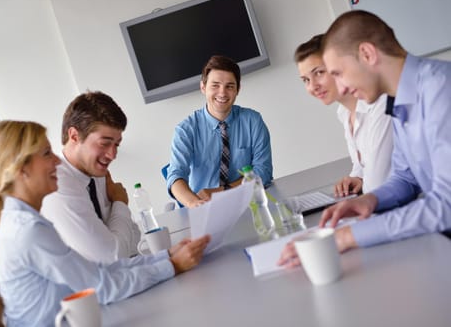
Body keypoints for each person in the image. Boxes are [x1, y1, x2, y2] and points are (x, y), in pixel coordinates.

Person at [0, 120, 210, 327]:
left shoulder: (24, 221)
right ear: (22, 169)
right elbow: (101, 287)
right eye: (47, 153)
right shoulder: (28, 231)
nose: (57, 160)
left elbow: (97, 271)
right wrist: (173, 266)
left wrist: (167, 257)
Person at [279, 10, 451, 268]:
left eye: (337, 73)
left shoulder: (440, 88)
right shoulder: (400, 100)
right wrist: (369, 200)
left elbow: (445, 205)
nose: (343, 88)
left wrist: (347, 236)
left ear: (368, 55)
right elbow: (405, 178)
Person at [41, 91, 141, 265]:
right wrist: (120, 203)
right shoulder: (57, 183)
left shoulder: (95, 173)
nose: (112, 155)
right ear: (74, 136)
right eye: (104, 143)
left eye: (116, 145)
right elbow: (112, 259)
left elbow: (132, 240)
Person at [167, 55, 273, 208]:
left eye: (229, 86)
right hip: (206, 207)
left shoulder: (253, 121)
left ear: (238, 89)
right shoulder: (185, 130)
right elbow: (176, 176)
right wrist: (195, 203)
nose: (222, 93)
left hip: (250, 202)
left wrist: (222, 191)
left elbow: (263, 172)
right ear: (203, 87)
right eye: (215, 85)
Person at [294, 34, 393, 196]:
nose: (313, 86)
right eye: (305, 80)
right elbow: (362, 164)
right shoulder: (344, 112)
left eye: (319, 73)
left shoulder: (380, 105)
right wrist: (357, 178)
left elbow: (378, 184)